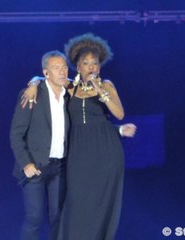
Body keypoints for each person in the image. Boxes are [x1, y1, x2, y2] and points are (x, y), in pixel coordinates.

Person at [22, 33, 135, 240]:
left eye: (95, 63)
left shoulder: (107, 85)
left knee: (100, 202)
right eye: (86, 63)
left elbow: (119, 114)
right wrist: (33, 82)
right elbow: (46, 77)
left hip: (105, 151)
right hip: (78, 152)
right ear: (78, 66)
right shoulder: (70, 88)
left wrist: (100, 89)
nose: (91, 67)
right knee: (77, 201)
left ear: (99, 67)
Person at [10, 50, 69, 240]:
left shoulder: (70, 95)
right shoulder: (32, 95)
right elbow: (16, 134)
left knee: (58, 217)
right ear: (46, 73)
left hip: (58, 166)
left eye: (64, 67)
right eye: (56, 68)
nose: (62, 72)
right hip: (35, 165)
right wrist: (26, 163)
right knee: (34, 218)